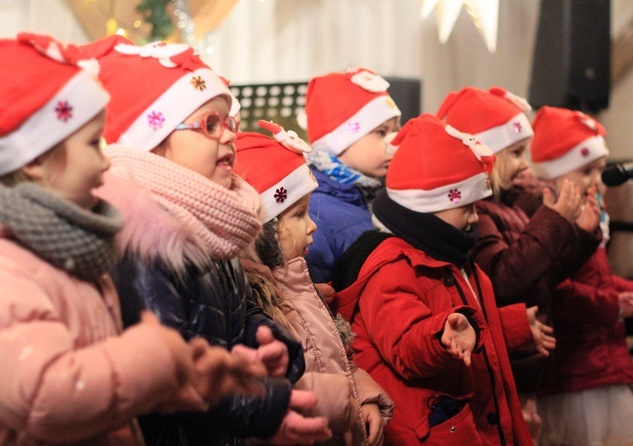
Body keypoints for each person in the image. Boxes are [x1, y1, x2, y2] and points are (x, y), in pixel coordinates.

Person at [0, 32, 268, 445]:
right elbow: (45, 397)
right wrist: (156, 356)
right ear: (35, 160)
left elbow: (104, 379)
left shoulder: (74, 250)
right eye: (93, 144)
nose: (106, 158)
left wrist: (186, 375)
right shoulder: (10, 268)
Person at [79, 35, 332, 445]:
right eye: (209, 125)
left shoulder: (214, 223)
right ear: (153, 145)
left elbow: (234, 315)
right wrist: (265, 406)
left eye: (229, 121)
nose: (230, 135)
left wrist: (268, 345)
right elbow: (171, 380)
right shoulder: (142, 244)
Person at [334, 114, 533, 445]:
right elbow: (406, 344)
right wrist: (441, 336)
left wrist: (511, 327)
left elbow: (466, 322)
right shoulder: (393, 267)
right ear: (429, 206)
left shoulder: (454, 259)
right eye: (467, 208)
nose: (475, 218)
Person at [436, 86, 598, 441]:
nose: (527, 164)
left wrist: (581, 235)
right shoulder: (481, 214)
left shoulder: (509, 205)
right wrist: (553, 221)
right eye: (517, 153)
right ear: (487, 154)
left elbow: (543, 272)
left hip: (527, 358)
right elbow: (503, 281)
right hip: (507, 357)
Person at [234, 120, 394, 445]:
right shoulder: (253, 305)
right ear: (261, 228)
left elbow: (341, 359)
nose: (312, 227)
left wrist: (362, 396)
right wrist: (332, 400)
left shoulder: (303, 286)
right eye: (298, 215)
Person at [529, 106, 633, 446]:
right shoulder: (553, 224)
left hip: (594, 355)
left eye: (601, 170)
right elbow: (557, 291)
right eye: (586, 171)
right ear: (554, 176)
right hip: (572, 365)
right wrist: (617, 302)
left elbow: (597, 279)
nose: (599, 181)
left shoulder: (592, 218)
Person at [299, 67, 401, 285]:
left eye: (395, 131)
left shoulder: (377, 196)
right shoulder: (315, 210)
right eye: (381, 132)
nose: (393, 142)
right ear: (340, 140)